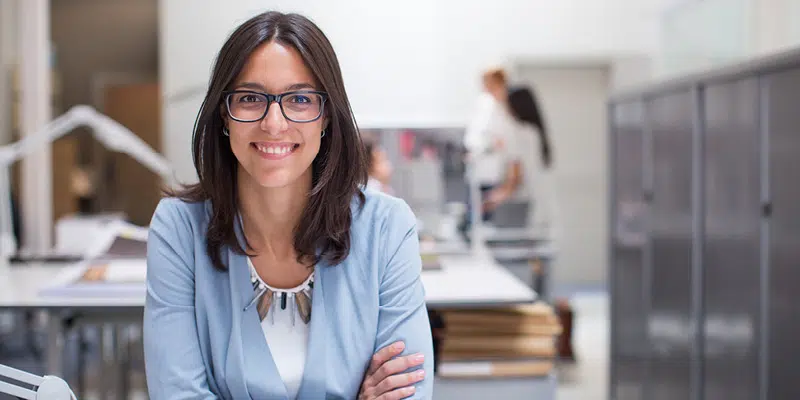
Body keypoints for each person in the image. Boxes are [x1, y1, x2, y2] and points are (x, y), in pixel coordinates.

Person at [143, 11, 433, 399]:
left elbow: (409, 391)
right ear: (224, 116)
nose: (274, 123)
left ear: (326, 114)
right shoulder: (179, 228)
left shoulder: (387, 228)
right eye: (249, 98)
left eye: (299, 99)